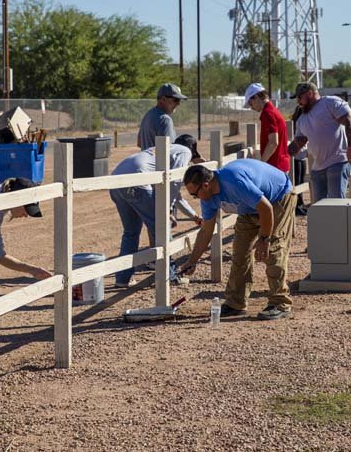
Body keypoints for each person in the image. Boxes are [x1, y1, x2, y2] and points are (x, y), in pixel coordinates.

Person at [180, 159, 297, 320]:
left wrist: (264, 239)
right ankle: (236, 303)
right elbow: (206, 230)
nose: (195, 198)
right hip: (249, 208)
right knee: (240, 252)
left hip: (278, 198)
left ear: (205, 185)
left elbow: (266, 208)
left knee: (273, 250)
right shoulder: (208, 198)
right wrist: (192, 261)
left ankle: (280, 303)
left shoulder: (234, 182)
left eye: (194, 194)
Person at [109, 137, 203, 288]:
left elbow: (176, 195)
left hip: (116, 180)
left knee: (131, 232)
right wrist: (165, 210)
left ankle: (123, 279)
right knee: (161, 229)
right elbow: (174, 182)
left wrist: (193, 216)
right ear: (192, 150)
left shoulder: (164, 151)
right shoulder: (184, 151)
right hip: (138, 180)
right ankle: (171, 276)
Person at [287, 82, 351, 200]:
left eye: (299, 97)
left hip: (338, 162)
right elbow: (299, 142)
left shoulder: (330, 102)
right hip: (317, 169)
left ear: (310, 93)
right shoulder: (302, 119)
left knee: (336, 204)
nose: (298, 101)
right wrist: (284, 151)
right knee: (319, 207)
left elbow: (349, 123)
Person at [244, 82, 290, 173]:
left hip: (274, 166)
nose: (251, 107)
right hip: (281, 164)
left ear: (256, 97)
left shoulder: (267, 113)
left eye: (250, 103)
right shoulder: (273, 110)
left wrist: (262, 163)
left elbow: (273, 142)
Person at [137, 83, 187, 150]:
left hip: (146, 156)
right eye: (176, 100)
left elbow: (140, 143)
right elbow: (166, 150)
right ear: (163, 99)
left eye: (179, 100)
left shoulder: (148, 115)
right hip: (159, 157)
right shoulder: (165, 119)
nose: (178, 104)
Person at [290, 106, 309, 216]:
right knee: (297, 182)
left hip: (302, 157)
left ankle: (301, 203)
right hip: (296, 158)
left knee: (301, 180)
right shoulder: (296, 126)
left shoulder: (305, 124)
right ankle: (296, 205)